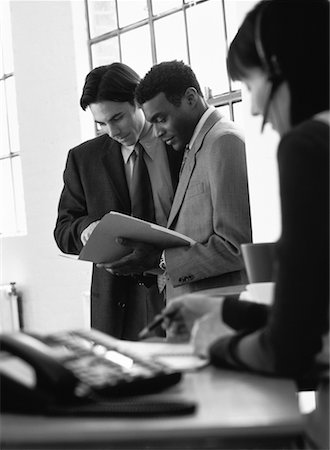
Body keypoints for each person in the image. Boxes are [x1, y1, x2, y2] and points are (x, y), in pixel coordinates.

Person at [161, 1, 329, 448]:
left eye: (251, 83)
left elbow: (289, 348)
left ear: (280, 66)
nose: (254, 108)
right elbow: (317, 320)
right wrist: (225, 311)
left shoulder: (309, 144)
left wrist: (213, 344)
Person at [99, 60, 252, 300]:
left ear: (191, 98)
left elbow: (236, 247)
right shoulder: (196, 145)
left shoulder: (224, 142)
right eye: (152, 123)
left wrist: (160, 260)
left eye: (161, 119)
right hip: (194, 313)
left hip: (216, 315)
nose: (158, 132)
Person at [54, 63, 183, 340]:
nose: (112, 131)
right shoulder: (83, 159)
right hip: (118, 306)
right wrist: (85, 229)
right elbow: (63, 230)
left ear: (139, 102)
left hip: (181, 288)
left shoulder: (179, 143)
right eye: (101, 123)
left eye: (118, 118)